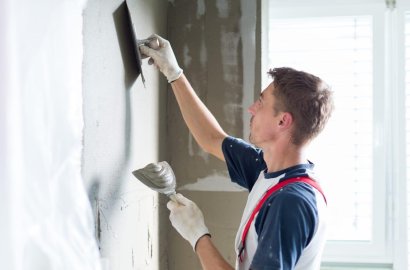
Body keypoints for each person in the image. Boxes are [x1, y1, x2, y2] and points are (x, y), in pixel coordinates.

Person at [140, 34, 334, 270]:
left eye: (261, 103)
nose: (252, 108)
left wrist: (198, 236)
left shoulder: (290, 203)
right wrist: (174, 73)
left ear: (283, 121)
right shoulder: (270, 169)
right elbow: (212, 138)